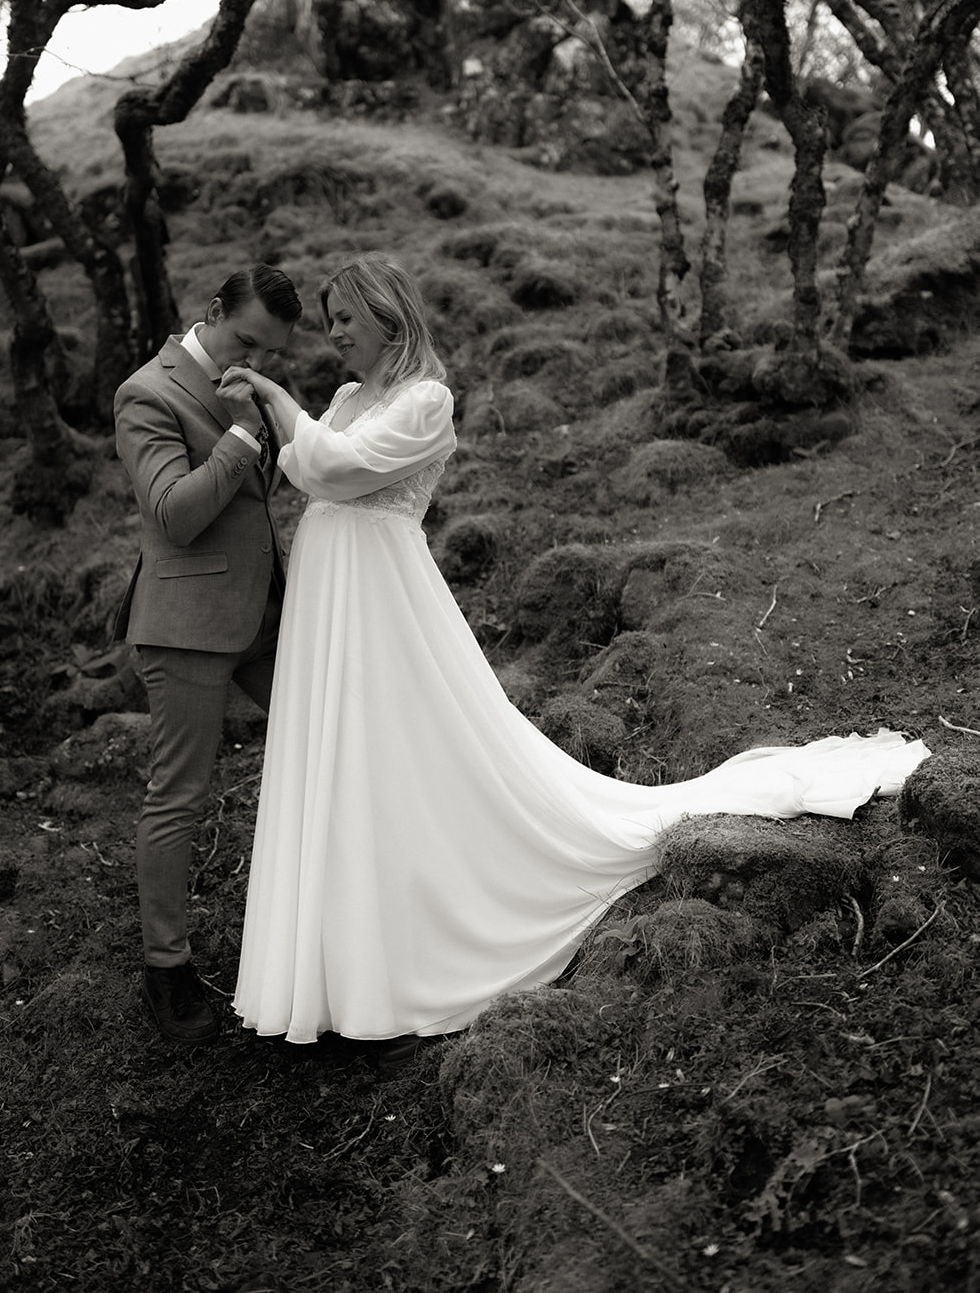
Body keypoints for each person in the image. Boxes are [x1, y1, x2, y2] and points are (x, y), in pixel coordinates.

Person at [231, 254, 928, 1066]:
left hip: (380, 601)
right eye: (328, 320)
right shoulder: (350, 398)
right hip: (332, 602)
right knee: (344, 760)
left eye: (344, 316)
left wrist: (276, 401)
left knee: (400, 752)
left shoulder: (426, 400)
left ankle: (403, 953)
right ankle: (335, 959)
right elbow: (309, 466)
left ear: (388, 315)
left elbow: (330, 468)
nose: (334, 333)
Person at [114, 262, 302, 1045]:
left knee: (330, 738)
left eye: (269, 354)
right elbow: (174, 514)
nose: (254, 362)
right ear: (213, 310)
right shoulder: (145, 393)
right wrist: (238, 433)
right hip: (185, 626)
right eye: (245, 340)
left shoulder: (243, 383)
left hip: (263, 615)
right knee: (180, 795)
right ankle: (166, 969)